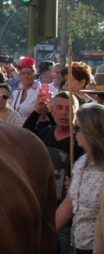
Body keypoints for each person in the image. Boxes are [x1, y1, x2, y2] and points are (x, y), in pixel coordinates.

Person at [25, 91, 83, 253]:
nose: (64, 113)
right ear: (51, 109)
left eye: (69, 108)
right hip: (43, 205)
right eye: (59, 107)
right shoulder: (45, 132)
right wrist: (37, 111)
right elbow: (26, 134)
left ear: (76, 112)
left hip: (67, 212)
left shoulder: (81, 140)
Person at [56, 104, 104, 254]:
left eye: (77, 128)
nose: (73, 132)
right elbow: (68, 205)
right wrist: (46, 234)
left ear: (92, 132)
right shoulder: (81, 163)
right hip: (77, 244)